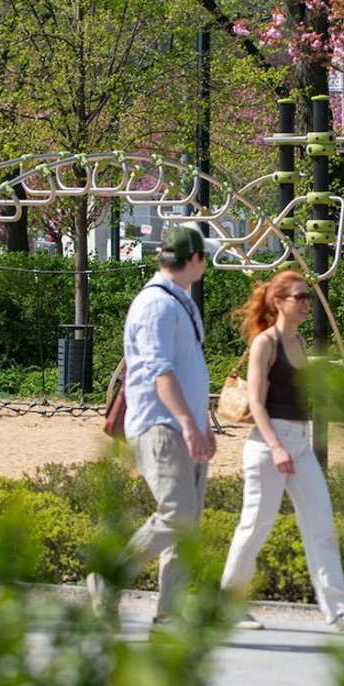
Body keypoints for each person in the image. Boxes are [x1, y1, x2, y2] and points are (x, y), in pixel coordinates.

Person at [220, 271, 344, 632]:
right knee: (254, 527)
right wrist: (276, 447)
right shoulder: (266, 344)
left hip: (300, 443)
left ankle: (340, 609)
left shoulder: (299, 343)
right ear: (279, 302)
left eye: (307, 296)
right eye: (299, 297)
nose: (306, 303)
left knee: (321, 523)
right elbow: (258, 405)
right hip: (268, 445)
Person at [88, 224, 216, 628]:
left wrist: (200, 423)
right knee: (177, 513)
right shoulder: (156, 305)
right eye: (205, 256)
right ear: (193, 259)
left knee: (187, 527)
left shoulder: (180, 302)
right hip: (161, 425)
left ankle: (170, 613)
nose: (207, 264)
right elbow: (160, 371)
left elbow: (184, 367)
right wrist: (189, 423)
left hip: (183, 425)